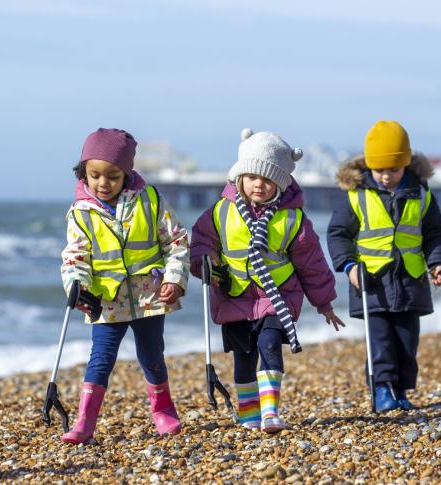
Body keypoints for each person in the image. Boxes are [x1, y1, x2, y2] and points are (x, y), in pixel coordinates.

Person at [191, 128, 344, 433]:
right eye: (253, 177)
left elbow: (312, 263)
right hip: (234, 297)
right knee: (244, 357)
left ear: (281, 183)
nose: (259, 184)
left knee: (270, 345)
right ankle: (249, 413)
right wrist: (204, 264)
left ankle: (270, 412)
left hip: (277, 298)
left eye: (268, 179)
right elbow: (201, 243)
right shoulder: (220, 212)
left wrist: (324, 302)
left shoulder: (292, 219)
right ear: (240, 178)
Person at [60, 128, 190, 443]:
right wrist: (76, 285)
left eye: (113, 177)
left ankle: (163, 411)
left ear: (127, 174)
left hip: (150, 296)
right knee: (101, 358)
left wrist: (174, 278)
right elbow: (74, 256)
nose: (103, 183)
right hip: (105, 300)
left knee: (152, 355)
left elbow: (176, 242)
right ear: (84, 173)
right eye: (95, 175)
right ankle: (84, 423)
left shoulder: (150, 199)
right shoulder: (80, 213)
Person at [327, 120, 441, 412]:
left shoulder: (421, 194)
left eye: (393, 170)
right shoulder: (356, 195)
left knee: (407, 342)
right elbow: (338, 235)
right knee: (380, 341)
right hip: (371, 282)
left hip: (410, 280)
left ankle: (401, 391)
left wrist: (438, 263)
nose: (385, 176)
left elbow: (436, 233)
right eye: (379, 170)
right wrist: (348, 266)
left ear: (405, 164)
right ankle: (382, 390)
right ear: (368, 166)